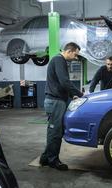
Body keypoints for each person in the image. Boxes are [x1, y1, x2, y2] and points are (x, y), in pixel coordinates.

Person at [39, 42, 83, 171]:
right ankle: (53, 161)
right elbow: (64, 81)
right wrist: (79, 94)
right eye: (75, 54)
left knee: (53, 131)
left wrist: (71, 95)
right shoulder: (59, 60)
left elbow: (61, 82)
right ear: (69, 51)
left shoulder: (58, 60)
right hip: (55, 102)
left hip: (56, 101)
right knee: (56, 133)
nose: (75, 58)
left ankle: (45, 158)